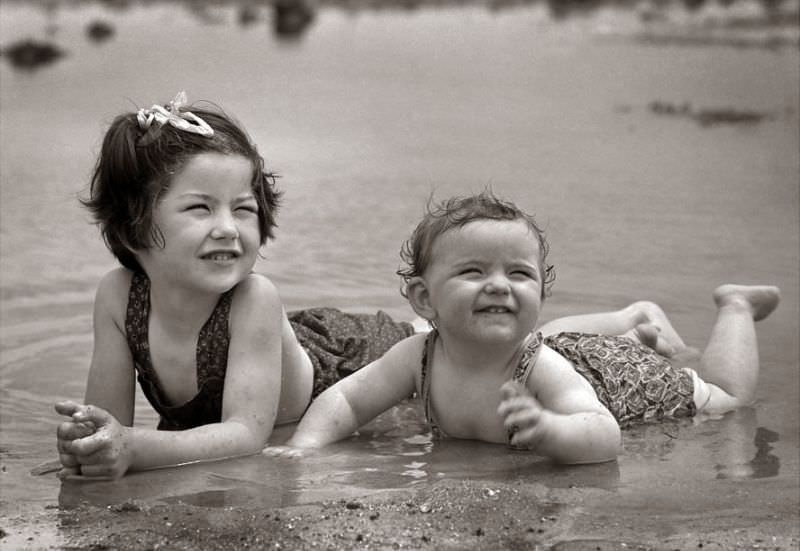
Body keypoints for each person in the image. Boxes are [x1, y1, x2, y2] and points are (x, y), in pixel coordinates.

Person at [267, 191, 780, 464]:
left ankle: (735, 307)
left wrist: (553, 430)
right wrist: (305, 448)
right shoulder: (418, 356)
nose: (499, 286)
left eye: (519, 274)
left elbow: (602, 437)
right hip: (585, 358)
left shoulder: (538, 369)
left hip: (626, 383)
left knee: (729, 399)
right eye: (473, 271)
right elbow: (347, 401)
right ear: (424, 299)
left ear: (541, 292)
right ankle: (645, 331)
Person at [54, 92, 415, 480]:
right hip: (268, 351)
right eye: (199, 208)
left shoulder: (253, 298)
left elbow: (245, 437)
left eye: (243, 209)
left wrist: (135, 448)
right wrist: (90, 444)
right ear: (131, 229)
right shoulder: (118, 297)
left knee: (428, 353)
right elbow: (108, 421)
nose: (228, 229)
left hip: (352, 371)